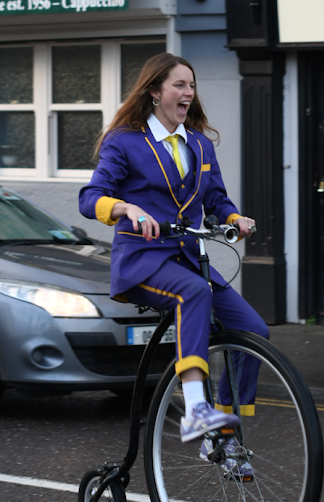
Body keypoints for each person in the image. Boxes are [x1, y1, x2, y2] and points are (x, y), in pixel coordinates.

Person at [79, 53, 268, 474]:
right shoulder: (125, 141)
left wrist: (234, 218)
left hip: (188, 259)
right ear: (155, 91)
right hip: (143, 262)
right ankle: (197, 410)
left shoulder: (198, 143)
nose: (188, 93)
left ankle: (223, 440)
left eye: (192, 86)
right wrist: (126, 209)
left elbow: (215, 199)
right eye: (179, 85)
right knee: (193, 293)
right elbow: (90, 198)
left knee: (254, 330)